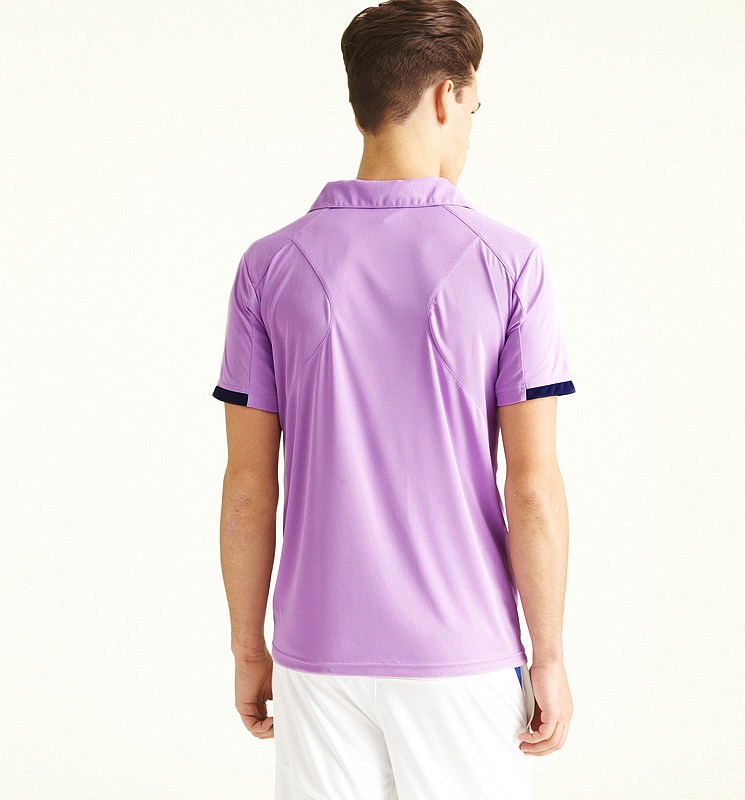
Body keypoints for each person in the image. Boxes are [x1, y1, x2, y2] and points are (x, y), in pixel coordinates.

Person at [212, 1, 576, 797]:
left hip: (315, 653)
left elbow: (247, 488)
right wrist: (548, 655)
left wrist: (248, 647)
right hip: (460, 654)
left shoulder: (268, 266)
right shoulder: (510, 263)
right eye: (474, 108)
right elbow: (532, 487)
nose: (470, 131)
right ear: (446, 97)